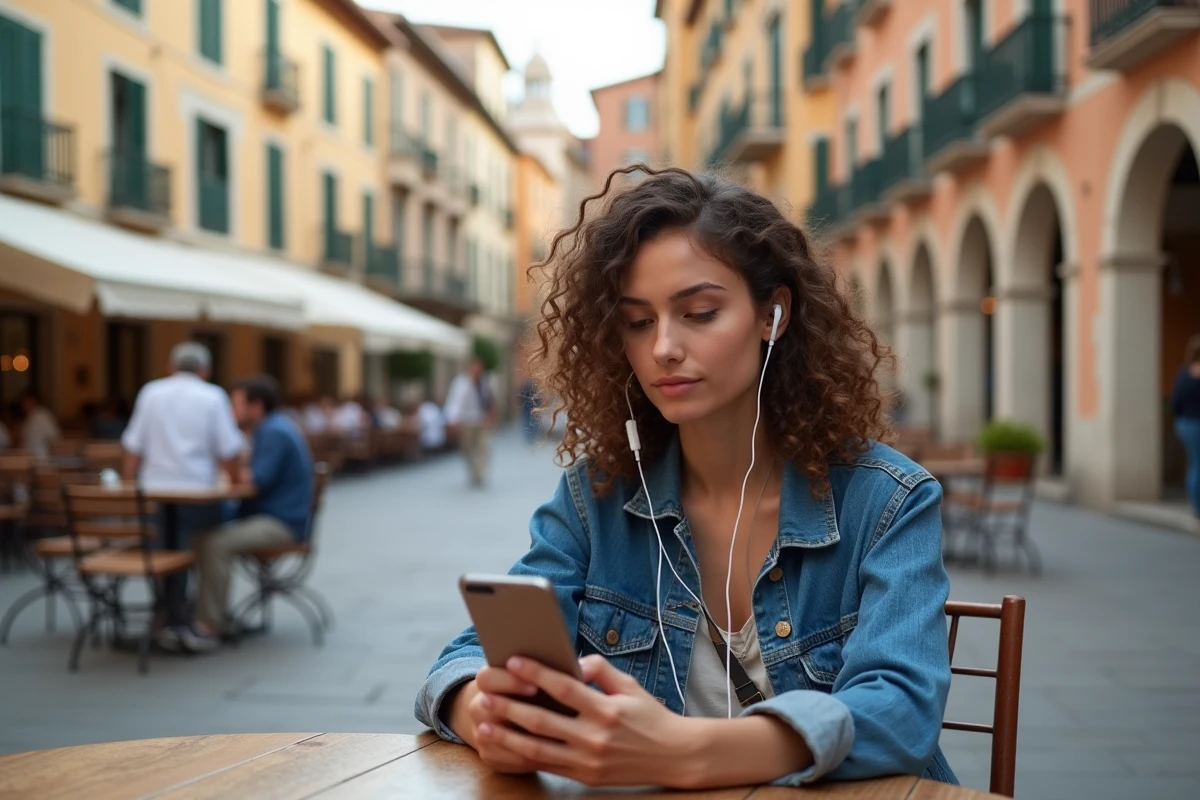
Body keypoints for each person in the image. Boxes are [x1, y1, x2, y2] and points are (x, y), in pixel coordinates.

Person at [414, 167, 956, 789]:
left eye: (699, 312)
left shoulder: (888, 500)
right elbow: (464, 659)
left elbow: (902, 710)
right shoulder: (598, 496)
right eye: (639, 322)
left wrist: (687, 751)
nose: (663, 347)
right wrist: (482, 711)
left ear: (772, 315)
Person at [121, 341, 244, 653]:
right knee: (205, 541)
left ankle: (167, 613)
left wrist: (126, 487)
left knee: (164, 548)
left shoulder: (150, 392)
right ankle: (192, 616)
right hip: (198, 494)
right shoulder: (213, 396)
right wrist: (233, 481)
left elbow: (133, 448)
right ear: (205, 370)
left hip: (154, 493)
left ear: (170, 367)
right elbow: (229, 449)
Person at [190, 374, 314, 647]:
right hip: (279, 516)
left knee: (214, 542)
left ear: (256, 406)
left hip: (281, 523)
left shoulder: (273, 431)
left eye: (236, 405)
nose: (231, 413)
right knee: (202, 536)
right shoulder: (274, 428)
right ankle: (209, 614)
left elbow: (255, 481)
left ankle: (209, 624)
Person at [444, 357, 496, 486]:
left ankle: (480, 472)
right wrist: (452, 419)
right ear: (470, 368)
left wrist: (491, 418)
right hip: (466, 421)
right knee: (467, 448)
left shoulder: (485, 382)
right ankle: (473, 470)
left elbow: (490, 401)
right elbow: (454, 402)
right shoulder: (461, 383)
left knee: (483, 447)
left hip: (481, 419)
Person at [1172, 334, 1200, 517]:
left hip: (1185, 425)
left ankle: (1196, 506)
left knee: (1194, 465)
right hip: (1195, 424)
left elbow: (1176, 403)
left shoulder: (1183, 374)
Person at [18, 391, 60, 460]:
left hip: (41, 457)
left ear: (33, 401)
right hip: (27, 457)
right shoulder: (29, 417)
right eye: (23, 402)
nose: (24, 405)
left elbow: (54, 438)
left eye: (26, 401)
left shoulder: (43, 415)